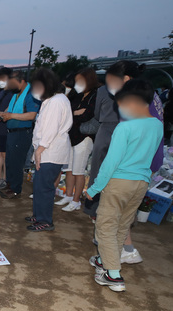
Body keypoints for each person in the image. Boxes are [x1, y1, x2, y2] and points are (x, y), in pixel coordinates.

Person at [86, 79, 163, 292]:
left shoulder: (125, 127)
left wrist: (94, 189)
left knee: (106, 226)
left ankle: (113, 275)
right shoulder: (157, 125)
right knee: (122, 225)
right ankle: (104, 260)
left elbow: (111, 162)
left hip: (119, 182)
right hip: (141, 183)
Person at [26, 68, 72, 232]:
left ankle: (45, 220)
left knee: (45, 187)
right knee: (39, 185)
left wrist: (39, 150)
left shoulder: (56, 101)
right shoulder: (53, 100)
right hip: (46, 150)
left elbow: (51, 128)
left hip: (50, 151)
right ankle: (38, 215)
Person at [0, 70, 41, 199]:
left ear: (22, 81)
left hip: (22, 133)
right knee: (9, 162)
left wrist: (10, 116)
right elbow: (9, 110)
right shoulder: (16, 94)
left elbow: (31, 115)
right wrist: (0, 115)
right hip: (12, 133)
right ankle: (10, 186)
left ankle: (15, 190)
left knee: (16, 163)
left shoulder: (31, 94)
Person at [55, 68, 98, 212]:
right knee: (68, 169)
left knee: (79, 171)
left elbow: (87, 115)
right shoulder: (76, 95)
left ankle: (76, 200)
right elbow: (67, 112)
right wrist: (75, 113)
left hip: (84, 138)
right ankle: (68, 195)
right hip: (71, 136)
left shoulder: (95, 95)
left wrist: (75, 114)